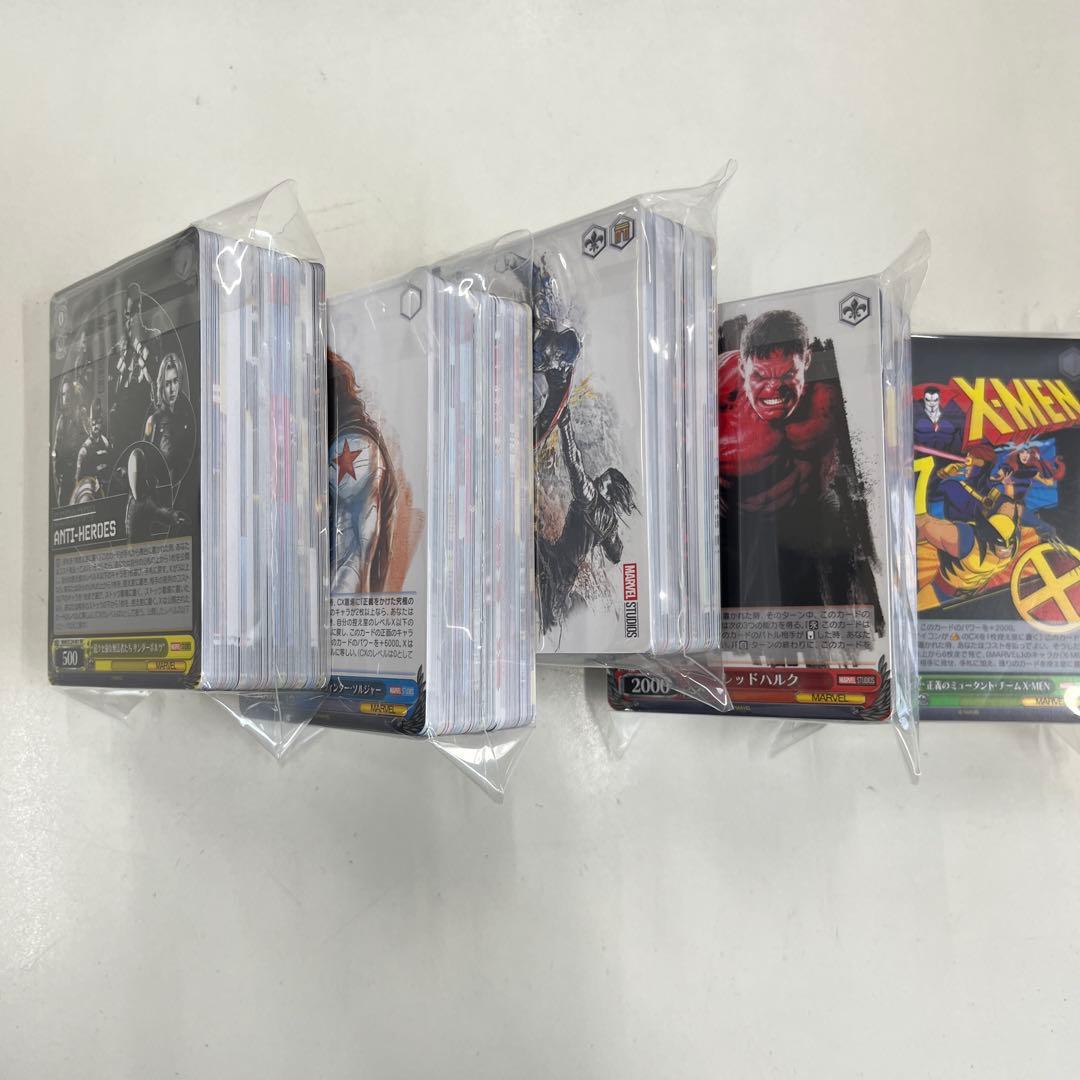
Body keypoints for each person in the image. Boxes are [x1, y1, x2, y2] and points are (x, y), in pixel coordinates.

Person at [717, 309, 881, 623]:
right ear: (742, 367)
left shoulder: (836, 393)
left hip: (814, 519)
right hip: (742, 530)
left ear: (806, 361)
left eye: (787, 376)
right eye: (760, 376)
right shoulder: (720, 393)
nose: (773, 390)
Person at [535, 405, 636, 634]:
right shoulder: (610, 524)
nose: (599, 478)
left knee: (546, 621)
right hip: (565, 571)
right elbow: (616, 554)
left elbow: (574, 462)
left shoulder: (590, 498)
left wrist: (565, 423)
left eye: (605, 480)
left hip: (555, 564)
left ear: (609, 493)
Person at [328, 351, 397, 593]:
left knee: (350, 552)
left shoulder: (352, 443)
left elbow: (352, 554)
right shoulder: (356, 437)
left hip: (344, 601)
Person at [916, 503, 1021, 610]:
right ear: (988, 537)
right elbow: (925, 526)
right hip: (942, 595)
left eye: (1010, 545)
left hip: (980, 597)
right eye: (1001, 545)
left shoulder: (1015, 538)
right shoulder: (964, 539)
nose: (1006, 550)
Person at [145, 353, 195, 479]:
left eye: (175, 381)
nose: (172, 389)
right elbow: (145, 465)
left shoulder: (185, 416)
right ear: (161, 386)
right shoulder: (153, 420)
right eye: (167, 383)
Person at [124, 447, 185, 542]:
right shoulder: (143, 502)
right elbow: (161, 513)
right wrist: (176, 516)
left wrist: (175, 516)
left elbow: (160, 513)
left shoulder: (140, 501)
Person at [52, 379, 84, 504]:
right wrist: (56, 470)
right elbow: (56, 448)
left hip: (80, 473)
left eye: (69, 393)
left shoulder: (81, 416)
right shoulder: (61, 420)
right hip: (65, 475)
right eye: (63, 394)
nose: (66, 397)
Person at [75, 398, 111, 487]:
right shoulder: (84, 450)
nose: (95, 427)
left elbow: (109, 465)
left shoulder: (105, 443)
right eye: (93, 423)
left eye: (98, 423)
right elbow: (79, 480)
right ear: (90, 424)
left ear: (101, 423)